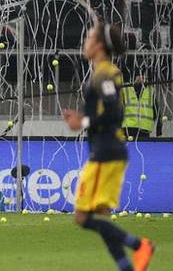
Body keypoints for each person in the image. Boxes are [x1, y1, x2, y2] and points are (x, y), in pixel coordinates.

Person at [63, 22, 155, 271]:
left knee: (82, 217)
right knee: (98, 216)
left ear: (99, 46)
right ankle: (127, 266)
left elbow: (114, 111)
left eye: (89, 37)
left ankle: (139, 245)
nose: (86, 41)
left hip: (107, 152)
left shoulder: (104, 73)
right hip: (107, 150)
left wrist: (82, 121)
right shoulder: (101, 72)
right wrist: (82, 118)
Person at [121, 73, 161, 140]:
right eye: (139, 74)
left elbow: (157, 111)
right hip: (128, 128)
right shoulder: (126, 89)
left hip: (144, 129)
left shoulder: (150, 91)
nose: (141, 77)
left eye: (143, 75)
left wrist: (159, 130)